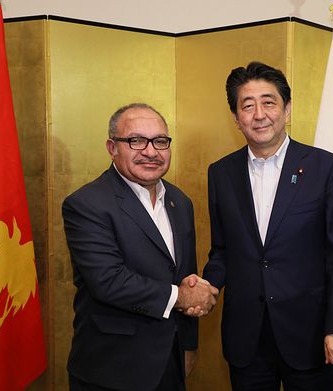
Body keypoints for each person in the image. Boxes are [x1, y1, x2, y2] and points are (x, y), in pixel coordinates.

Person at [202, 62, 333, 390]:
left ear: (286, 109)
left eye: (269, 102)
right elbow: (223, 250)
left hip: (310, 334)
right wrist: (207, 286)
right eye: (247, 105)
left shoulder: (323, 167)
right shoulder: (220, 173)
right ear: (236, 117)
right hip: (246, 336)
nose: (259, 114)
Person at [62, 103, 218, 391]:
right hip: (113, 369)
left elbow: (186, 275)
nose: (150, 151)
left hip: (170, 363)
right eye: (135, 140)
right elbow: (108, 281)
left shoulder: (179, 201)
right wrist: (182, 297)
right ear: (112, 148)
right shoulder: (87, 204)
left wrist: (188, 344)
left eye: (160, 141)